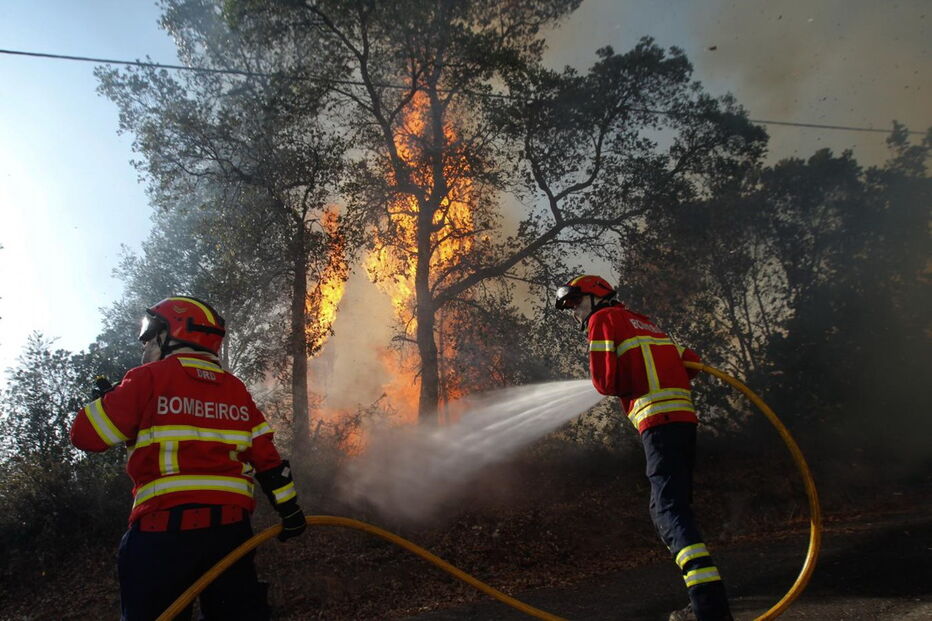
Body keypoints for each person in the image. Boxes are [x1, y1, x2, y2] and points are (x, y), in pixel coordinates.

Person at [70, 296, 307, 620]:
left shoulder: (147, 379)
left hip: (161, 536)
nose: (145, 347)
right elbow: (269, 462)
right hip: (230, 536)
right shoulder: (236, 390)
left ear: (173, 333)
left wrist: (108, 402)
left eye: (150, 336)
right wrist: (290, 510)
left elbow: (85, 436)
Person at [555, 275, 733, 621]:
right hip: (684, 422)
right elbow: (692, 361)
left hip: (658, 422)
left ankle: (710, 611)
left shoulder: (602, 320)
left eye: (577, 302)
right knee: (673, 508)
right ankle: (709, 606)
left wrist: (634, 383)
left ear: (596, 296)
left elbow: (605, 383)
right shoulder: (646, 323)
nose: (575, 311)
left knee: (668, 511)